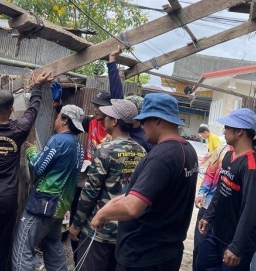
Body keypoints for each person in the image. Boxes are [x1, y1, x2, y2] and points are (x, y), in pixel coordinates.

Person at [90, 93, 199, 271]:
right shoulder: (187, 150)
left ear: (157, 120)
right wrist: (110, 206)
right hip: (167, 251)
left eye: (144, 121)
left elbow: (131, 207)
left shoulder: (162, 157)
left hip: (144, 255)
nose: (141, 126)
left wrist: (102, 216)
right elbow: (142, 193)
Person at [0, 71, 54, 271]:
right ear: (11, 109)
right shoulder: (19, 129)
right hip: (7, 199)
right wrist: (37, 86)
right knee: (0, 247)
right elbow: (32, 111)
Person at [68, 99, 146, 271]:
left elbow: (90, 192)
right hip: (125, 231)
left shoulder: (105, 150)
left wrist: (76, 225)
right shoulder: (142, 152)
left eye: (108, 116)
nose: (104, 119)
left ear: (115, 121)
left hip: (99, 231)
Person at [12, 105, 85, 271]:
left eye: (58, 116)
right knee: (53, 247)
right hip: (60, 208)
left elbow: (38, 167)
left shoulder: (58, 140)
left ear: (65, 120)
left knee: (23, 249)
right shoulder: (78, 145)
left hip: (43, 205)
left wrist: (31, 151)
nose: (56, 119)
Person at [196, 109, 256, 271]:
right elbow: (220, 190)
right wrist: (209, 216)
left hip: (235, 242)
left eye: (227, 127)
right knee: (201, 264)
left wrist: (237, 246)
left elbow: (250, 209)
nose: (224, 131)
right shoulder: (228, 156)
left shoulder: (251, 166)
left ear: (240, 131)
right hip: (217, 232)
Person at [192, 143, 233, 271]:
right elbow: (210, 174)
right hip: (208, 205)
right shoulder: (221, 150)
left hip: (227, 213)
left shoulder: (245, 157)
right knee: (199, 247)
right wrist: (201, 193)